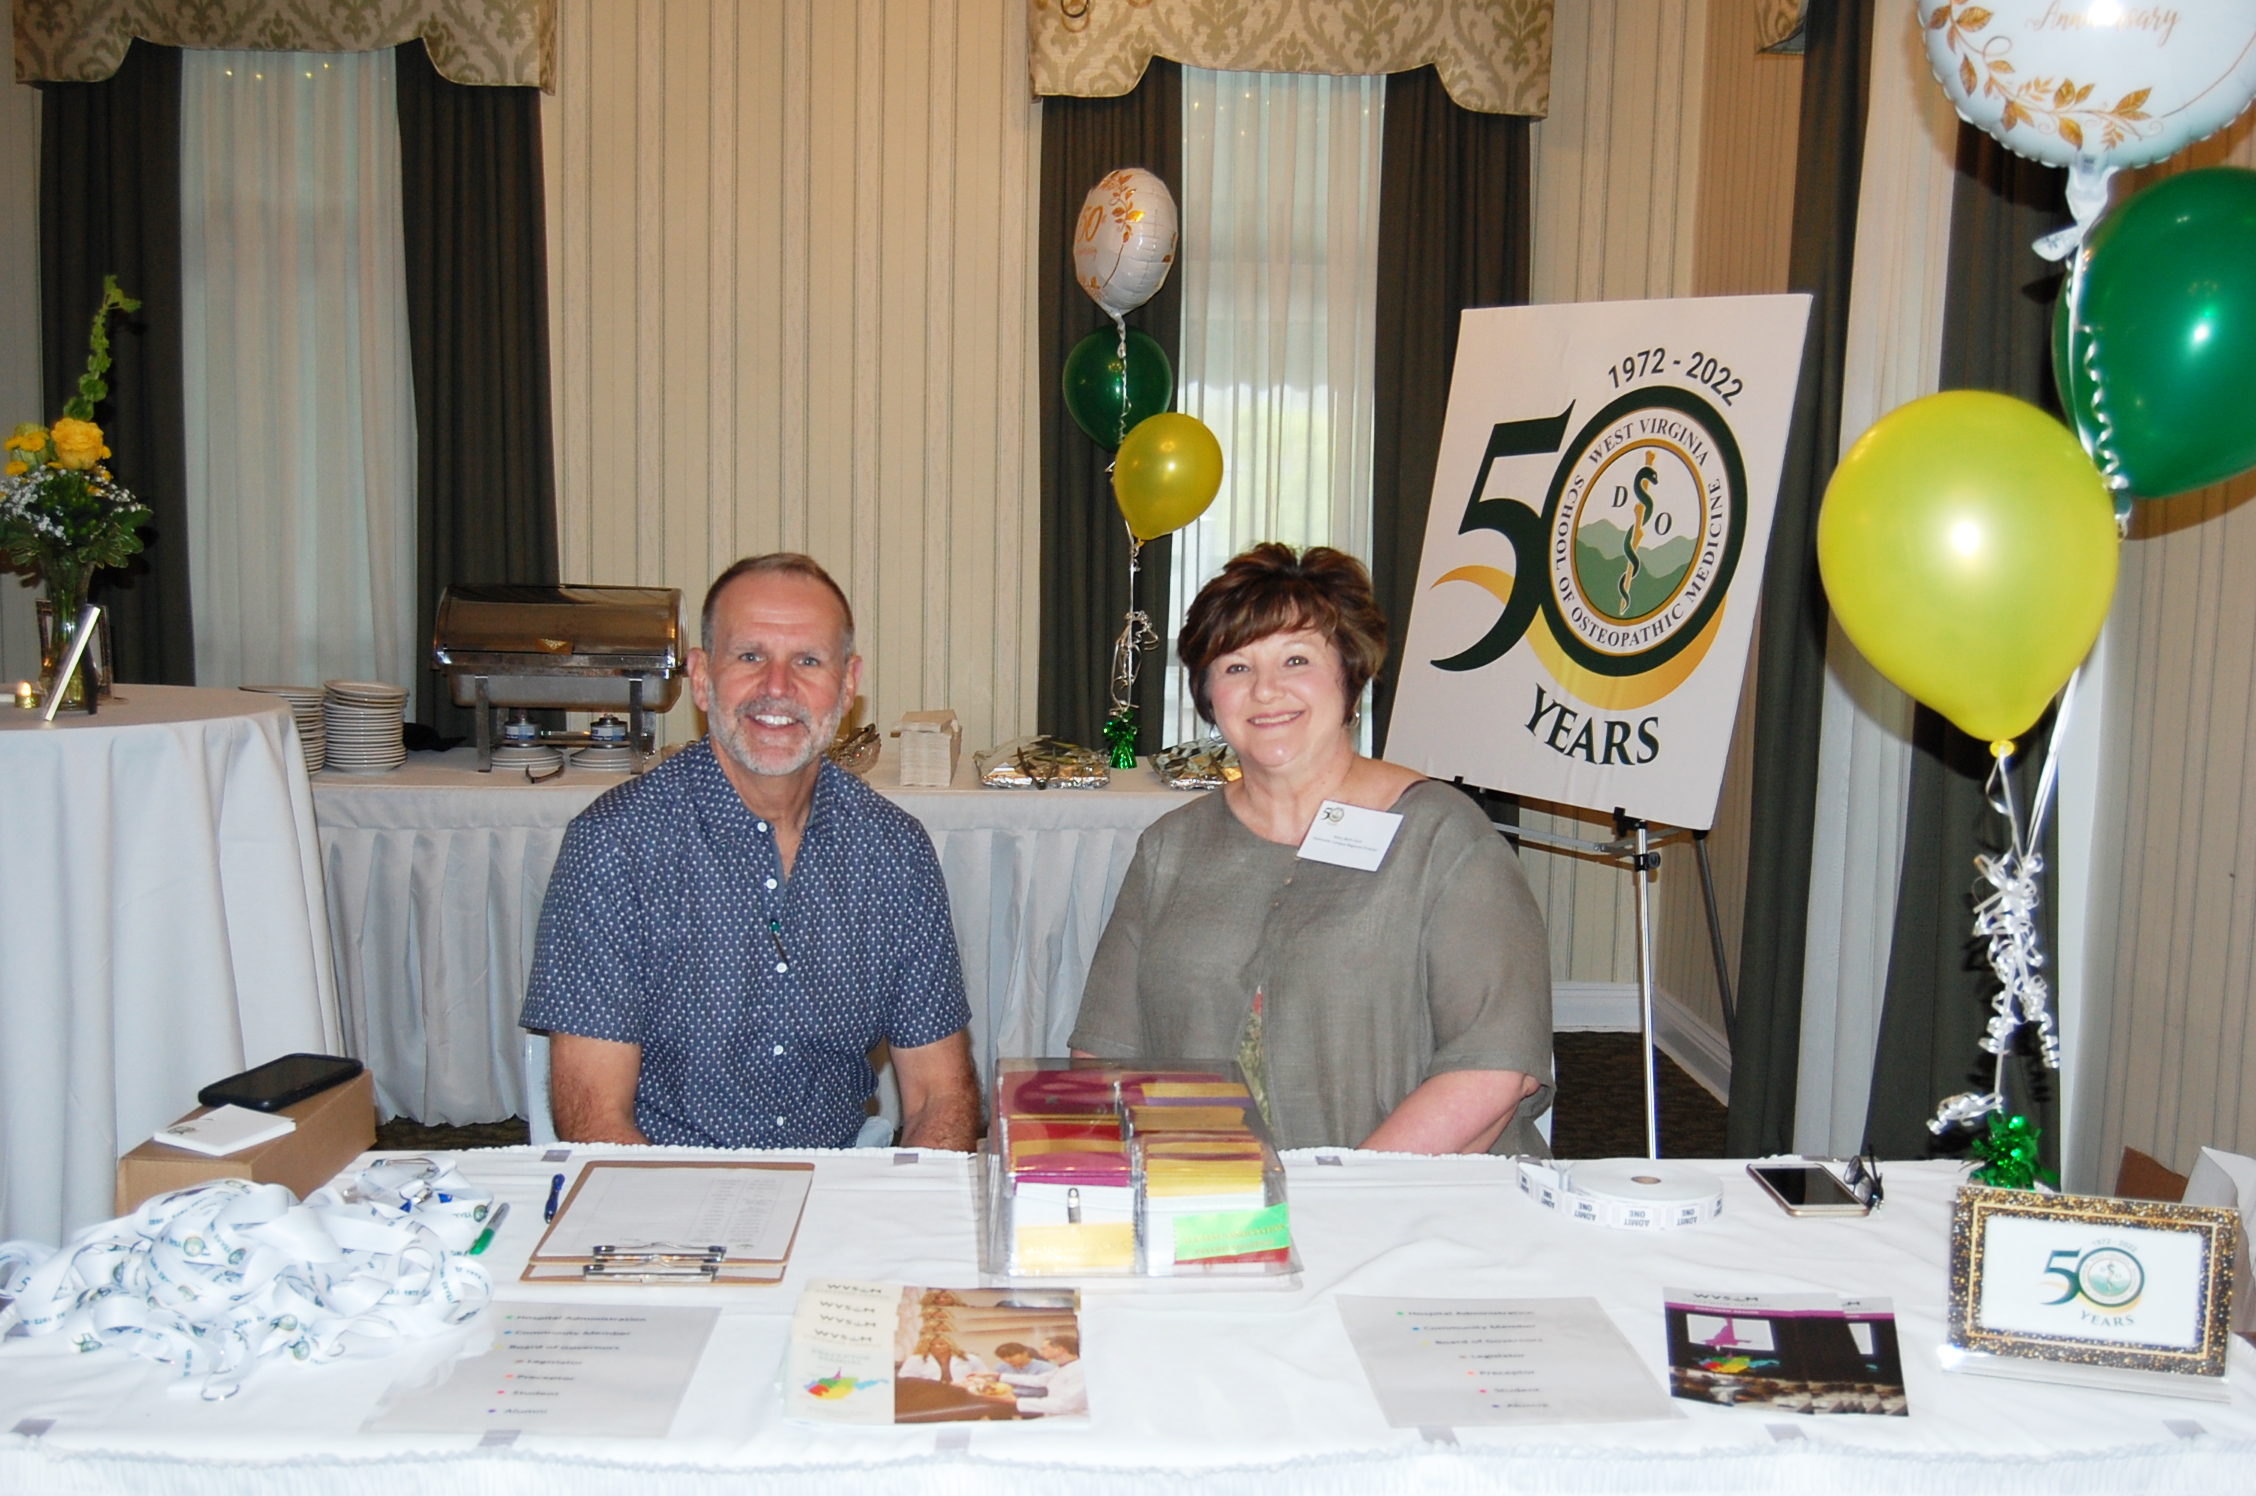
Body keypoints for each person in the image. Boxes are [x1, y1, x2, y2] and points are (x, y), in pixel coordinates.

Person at [1069, 543, 1553, 1154]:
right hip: (1216, 1206)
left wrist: (1338, 1200)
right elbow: (1104, 1053)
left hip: (1410, 1208)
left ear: (1352, 676)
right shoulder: (1170, 847)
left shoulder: (1444, 838)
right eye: (1236, 667)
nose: (1266, 691)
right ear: (1208, 695)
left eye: (1295, 659)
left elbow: (1495, 1067)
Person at [521, 553, 980, 1150]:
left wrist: (904, 1224)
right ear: (704, 678)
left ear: (847, 685)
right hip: (666, 1192)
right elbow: (597, 1122)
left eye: (808, 661)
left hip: (836, 1187)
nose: (777, 688)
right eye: (750, 656)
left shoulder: (893, 851)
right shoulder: (616, 846)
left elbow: (939, 1096)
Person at [1008, 1333, 1086, 1417]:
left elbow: (1066, 1405)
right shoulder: (1061, 1368)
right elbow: (1037, 1380)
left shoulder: (1080, 1371)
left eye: (1044, 1349)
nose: (1041, 1352)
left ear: (1060, 1349)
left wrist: (1016, 1401)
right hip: (1057, 1417)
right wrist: (999, 1376)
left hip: (1074, 1419)